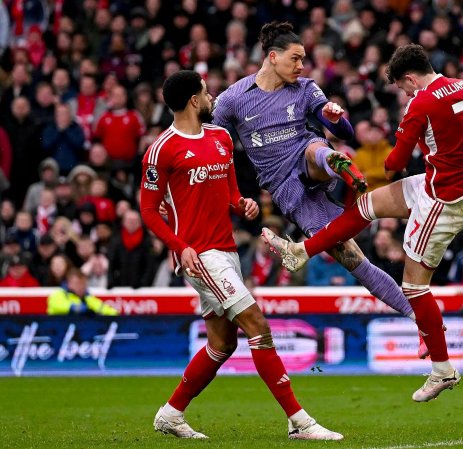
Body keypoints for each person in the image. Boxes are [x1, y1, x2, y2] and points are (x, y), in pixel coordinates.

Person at [263, 44, 463, 402]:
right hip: (448, 181)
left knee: (415, 288)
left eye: (402, 87)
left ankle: (443, 370)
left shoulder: (421, 103)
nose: (404, 93)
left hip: (445, 199)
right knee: (366, 205)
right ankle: (302, 250)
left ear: (410, 78)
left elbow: (392, 163)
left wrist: (404, 131)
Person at [140, 70, 342, 441]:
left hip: (226, 249)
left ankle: (170, 414)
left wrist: (241, 203)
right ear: (192, 101)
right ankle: (300, 421)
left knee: (222, 343)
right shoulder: (162, 149)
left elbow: (230, 188)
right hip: (199, 256)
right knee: (257, 325)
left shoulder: (220, 137)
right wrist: (179, 246)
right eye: (206, 90)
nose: (211, 94)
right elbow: (150, 210)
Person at [212, 21, 417, 344]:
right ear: (272, 56)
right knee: (354, 261)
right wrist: (231, 195)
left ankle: (340, 165)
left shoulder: (306, 89)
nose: (301, 66)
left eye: (303, 58)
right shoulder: (233, 99)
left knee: (314, 148)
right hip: (286, 190)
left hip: (309, 158)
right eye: (295, 58)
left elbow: (343, 130)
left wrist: (335, 118)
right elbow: (208, 142)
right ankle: (417, 317)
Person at [46, 268, 118, 315]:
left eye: (83, 284)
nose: (81, 287)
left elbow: (103, 308)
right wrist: (82, 309)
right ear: (69, 284)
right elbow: (61, 306)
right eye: (77, 283)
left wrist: (115, 314)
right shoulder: (59, 295)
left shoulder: (88, 298)